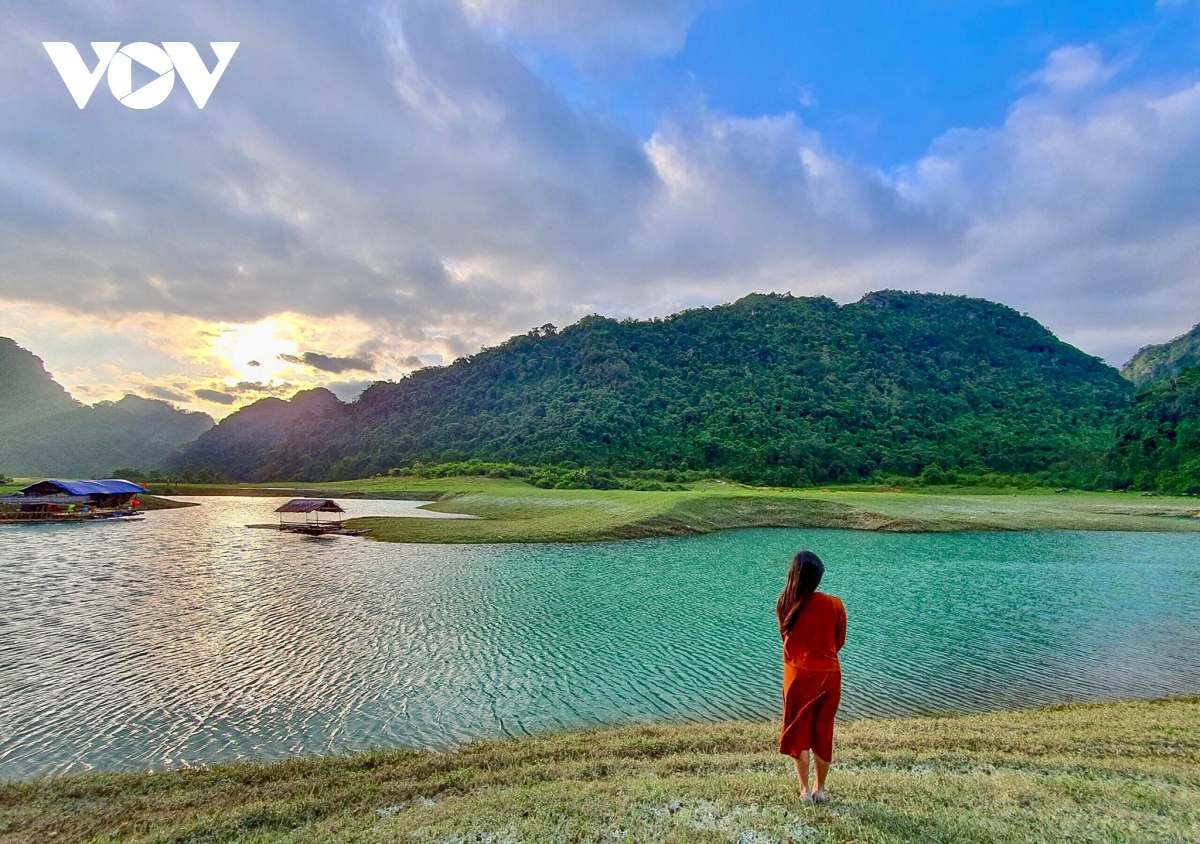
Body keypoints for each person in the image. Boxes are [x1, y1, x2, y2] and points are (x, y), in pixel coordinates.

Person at [776, 549, 846, 803]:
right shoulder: (835, 604)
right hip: (828, 674)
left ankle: (804, 790)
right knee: (823, 730)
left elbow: (786, 639)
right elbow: (839, 641)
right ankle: (821, 789)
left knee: (798, 732)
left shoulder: (784, 603)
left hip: (796, 675)